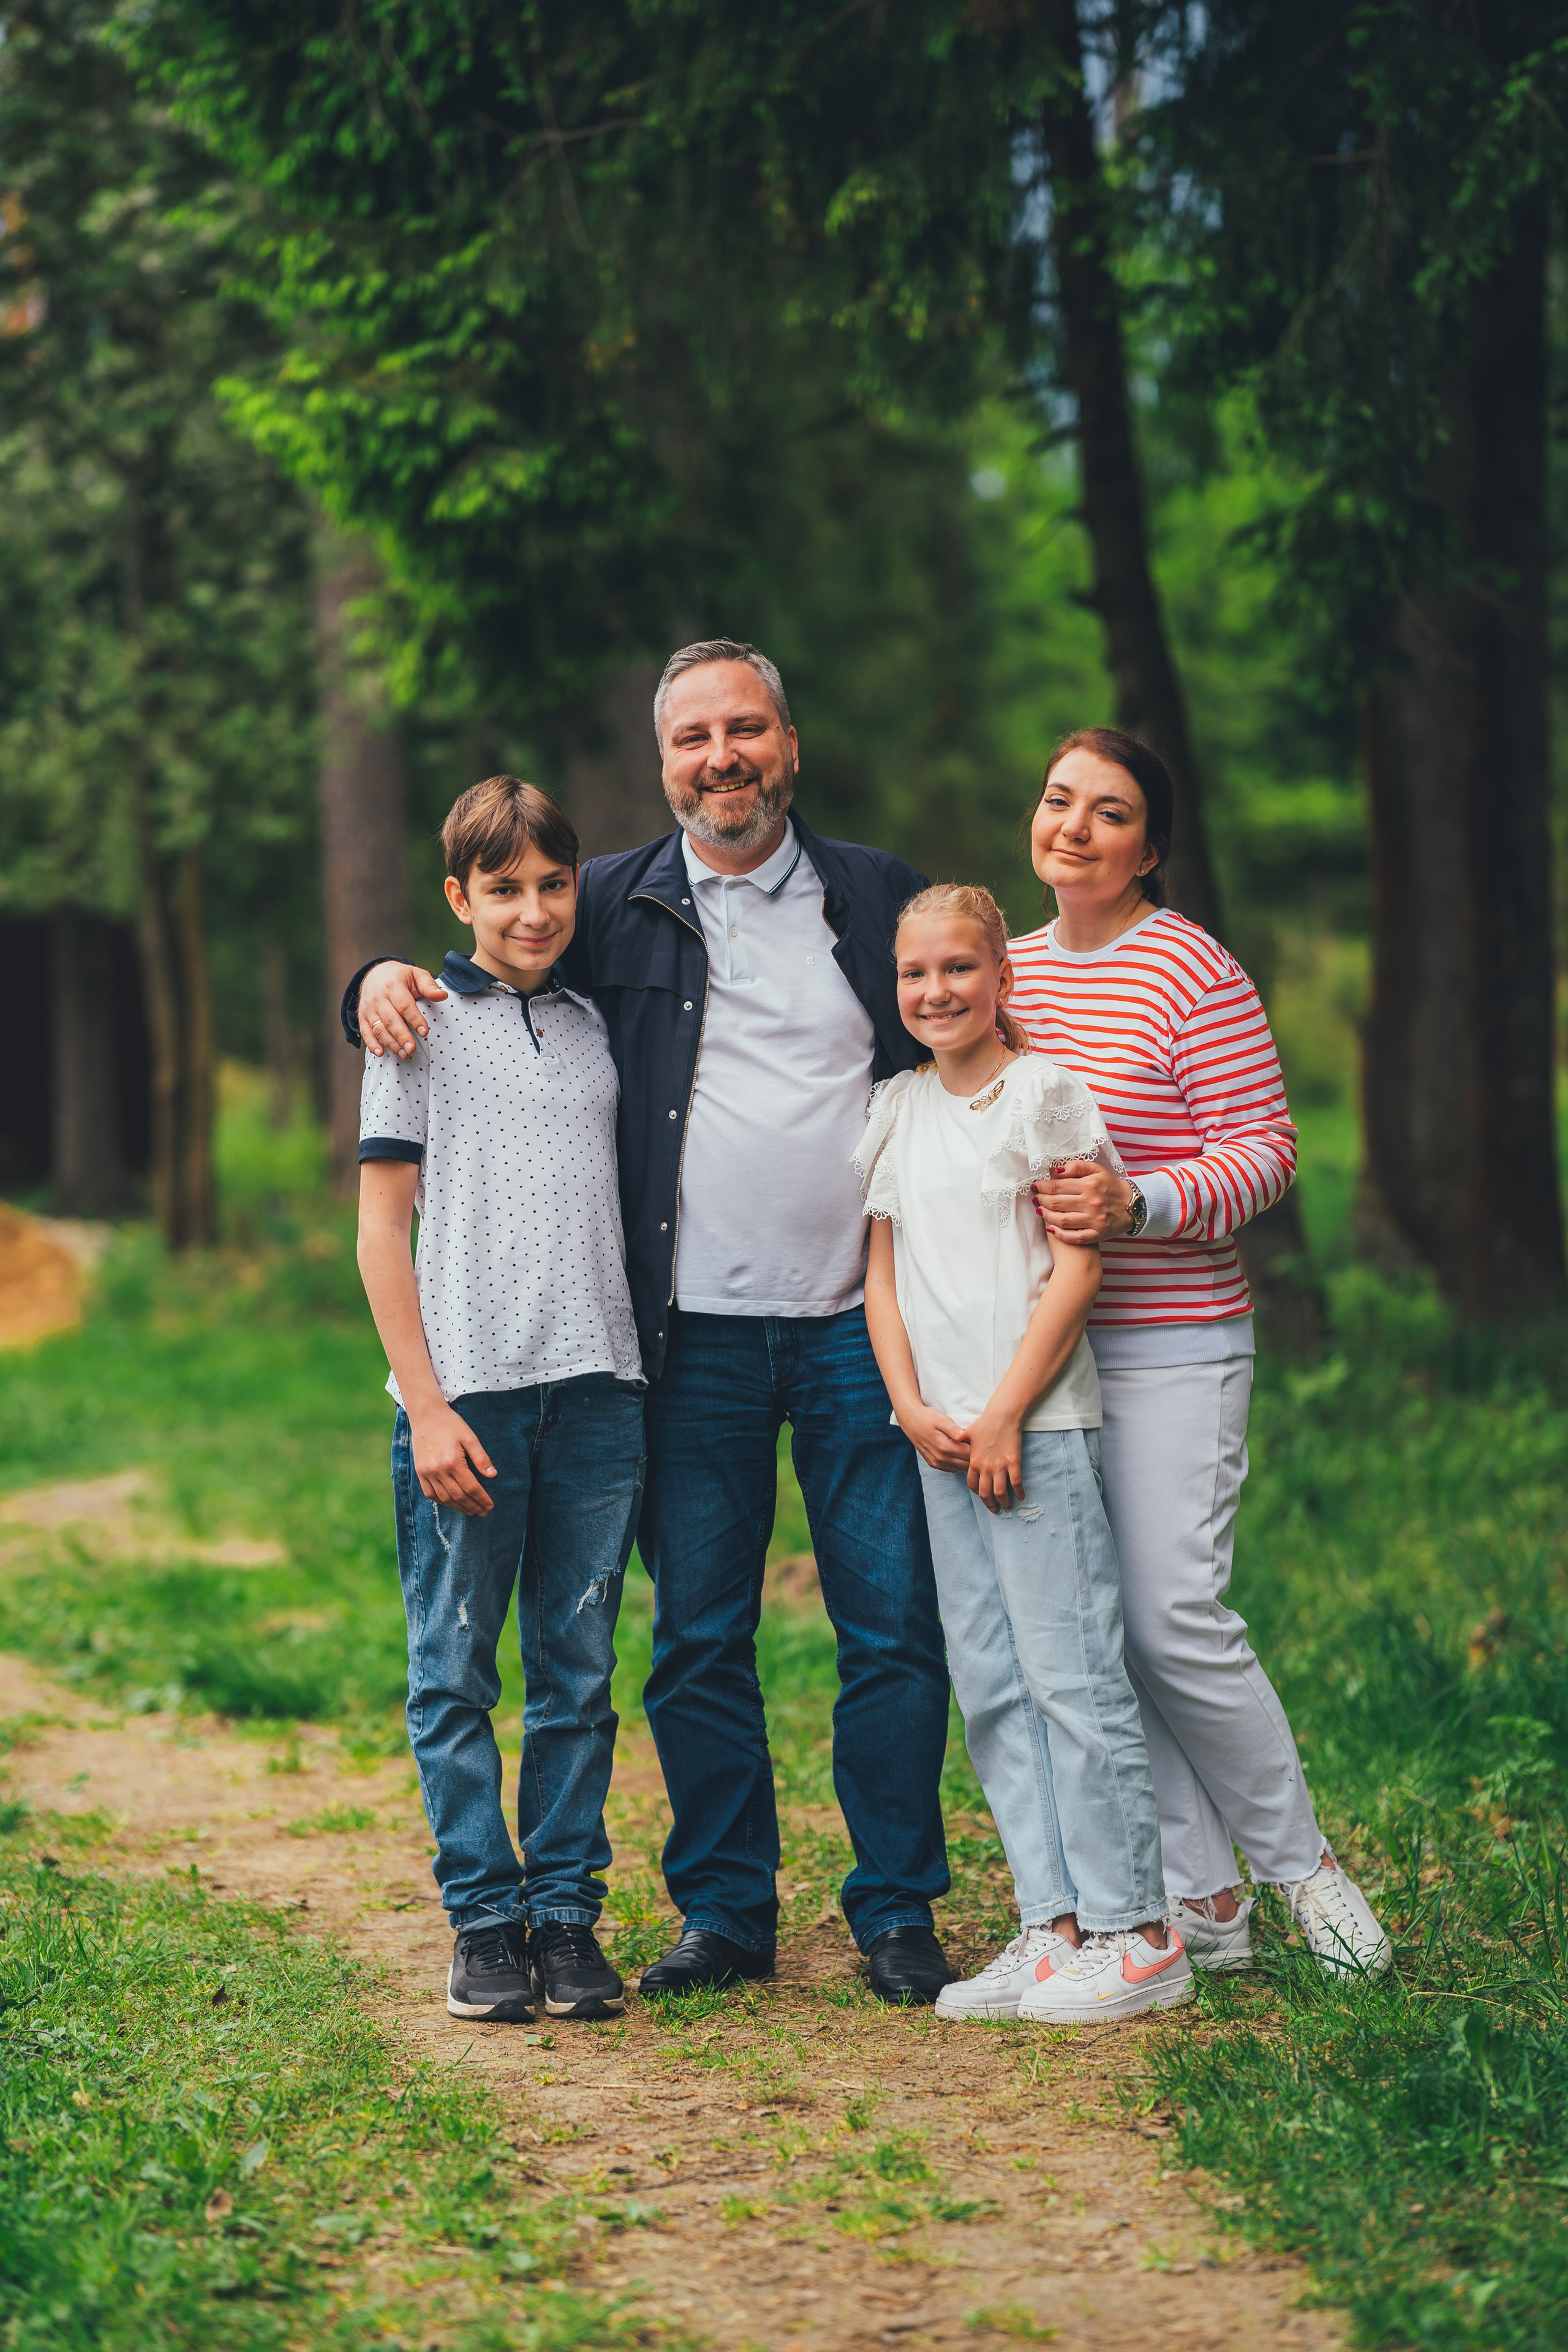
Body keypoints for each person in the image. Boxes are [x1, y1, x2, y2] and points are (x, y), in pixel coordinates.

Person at [347, 643, 956, 2006]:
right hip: (685, 1340)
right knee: (694, 1637)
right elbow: (471, 968)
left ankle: (896, 1907)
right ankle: (726, 1912)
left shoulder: (877, 896)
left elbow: (964, 1030)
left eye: (746, 729)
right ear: (661, 759)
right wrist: (373, 981)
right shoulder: (613, 900)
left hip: (864, 1325)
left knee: (891, 1627)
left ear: (788, 745)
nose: (720, 756)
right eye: (693, 736)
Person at [1011, 727, 1390, 1977]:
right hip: (1049, 1357)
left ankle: (1304, 1871)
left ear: (1149, 848)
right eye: (1059, 800)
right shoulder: (1005, 977)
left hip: (1176, 1342)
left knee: (1175, 1614)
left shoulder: (1187, 968)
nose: (1073, 826)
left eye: (1106, 812)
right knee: (1107, 1627)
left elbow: (1267, 1151)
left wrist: (1143, 1205)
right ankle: (1202, 1897)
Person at [859, 884, 1193, 2024]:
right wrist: (912, 1408)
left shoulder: (1043, 1097)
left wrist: (1005, 1413)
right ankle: (1052, 1926)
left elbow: (1079, 1271)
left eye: (959, 969)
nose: (936, 991)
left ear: (1003, 978)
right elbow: (883, 1278)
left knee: (1074, 1678)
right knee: (995, 1685)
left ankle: (1137, 1933)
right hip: (941, 1440)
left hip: (1033, 1432)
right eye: (915, 973)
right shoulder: (897, 1108)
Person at [356, 775, 646, 2027]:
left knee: (577, 1671)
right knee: (454, 1671)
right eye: (503, 889)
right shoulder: (415, 1024)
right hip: (465, 1397)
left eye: (550, 884)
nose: (531, 910)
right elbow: (379, 1233)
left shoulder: (594, 1023)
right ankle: (483, 1918)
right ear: (457, 897)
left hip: (598, 1393)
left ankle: (566, 1917)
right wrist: (423, 1406)